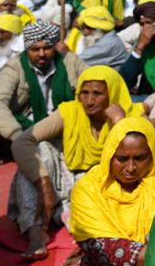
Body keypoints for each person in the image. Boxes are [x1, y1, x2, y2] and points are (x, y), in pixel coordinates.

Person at [9, 66, 140, 259]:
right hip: (63, 179)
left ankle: (75, 223)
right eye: (84, 93)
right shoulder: (70, 111)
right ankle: (36, 234)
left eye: (97, 93)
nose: (89, 100)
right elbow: (22, 142)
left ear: (112, 93)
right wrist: (44, 182)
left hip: (100, 186)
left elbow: (131, 165)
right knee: (40, 151)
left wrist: (119, 121)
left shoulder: (129, 115)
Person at [0, 21, 87, 164]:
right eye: (35, 49)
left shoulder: (69, 60)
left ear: (55, 47)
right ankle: (28, 150)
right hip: (28, 127)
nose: (42, 54)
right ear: (27, 49)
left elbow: (92, 81)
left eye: (47, 48)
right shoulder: (15, 67)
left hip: (63, 122)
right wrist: (20, 137)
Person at [68, 117, 155, 265]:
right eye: (122, 159)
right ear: (109, 155)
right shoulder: (89, 187)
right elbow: (94, 242)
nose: (131, 167)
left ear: (153, 155)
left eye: (140, 158)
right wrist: (144, 255)